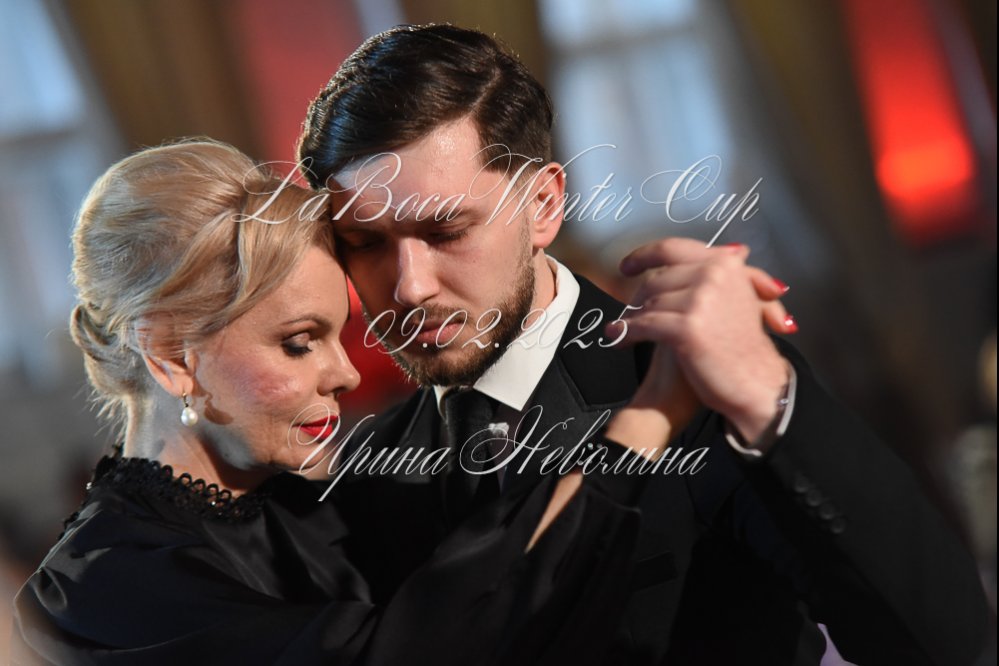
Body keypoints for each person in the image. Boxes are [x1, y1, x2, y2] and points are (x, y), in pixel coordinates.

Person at [297, 23, 990, 665]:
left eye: (446, 231)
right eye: (365, 243)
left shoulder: (698, 386)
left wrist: (770, 403)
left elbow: (942, 642)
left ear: (542, 207)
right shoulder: (362, 465)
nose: (409, 286)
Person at [11, 139, 696, 665]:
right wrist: (652, 414)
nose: (343, 373)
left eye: (340, 334)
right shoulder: (100, 588)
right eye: (298, 342)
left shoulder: (330, 492)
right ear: (170, 355)